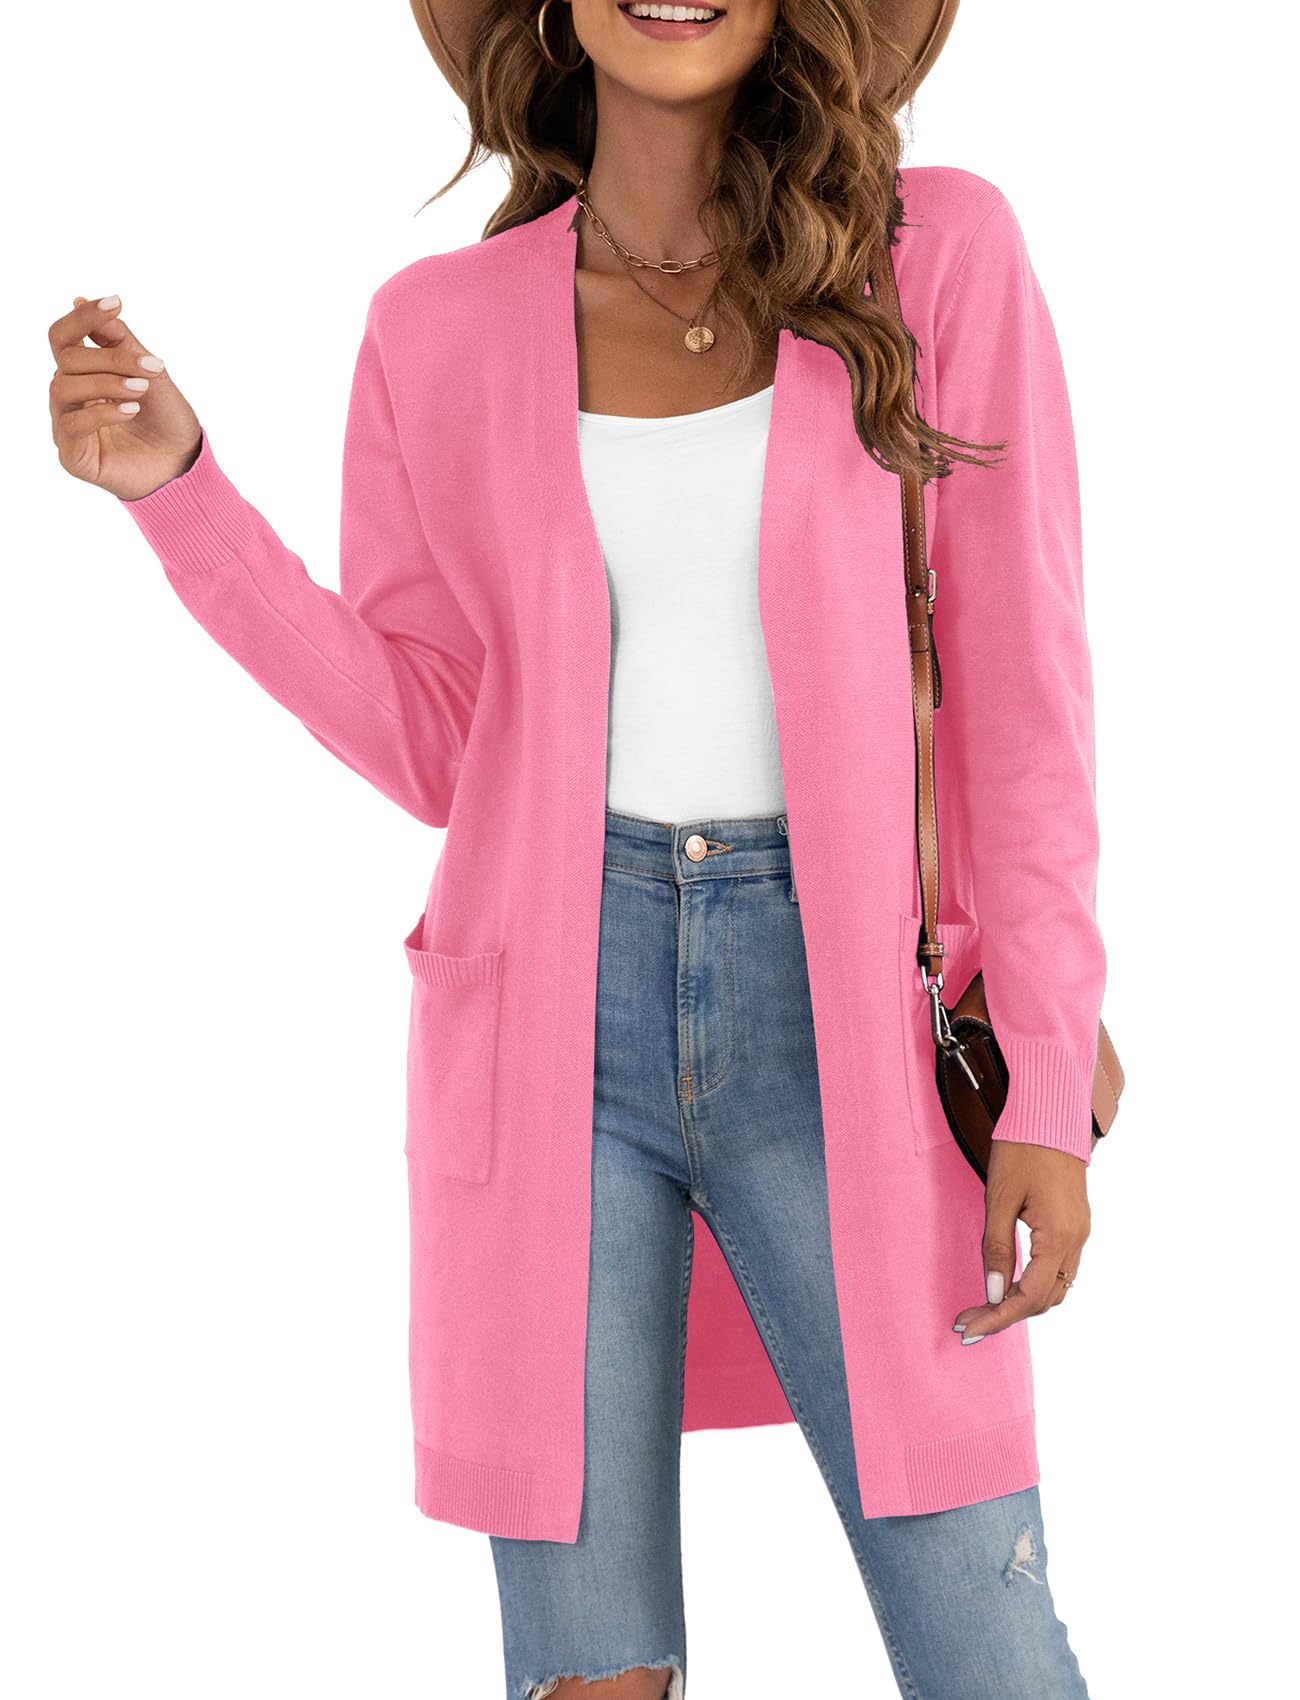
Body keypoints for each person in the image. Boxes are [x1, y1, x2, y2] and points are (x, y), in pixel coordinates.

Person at [49, 0, 1109, 1693]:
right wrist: (184, 495)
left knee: (986, 1638)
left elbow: (1025, 698)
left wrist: (1043, 1078)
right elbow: (438, 743)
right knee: (586, 1671)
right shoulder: (437, 328)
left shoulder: (937, 254)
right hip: (551, 1025)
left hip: (849, 1014)